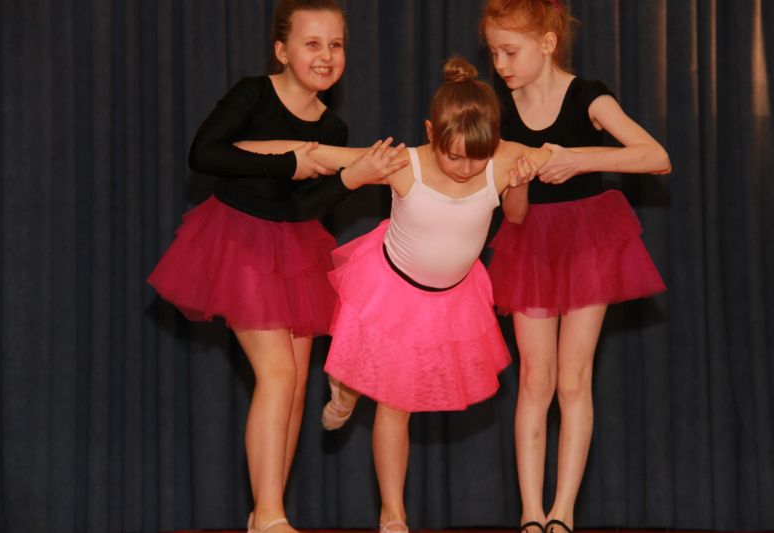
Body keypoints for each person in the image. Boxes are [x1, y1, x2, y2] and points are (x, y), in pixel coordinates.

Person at [237, 56, 552, 533]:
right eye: (454, 155)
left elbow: (518, 214)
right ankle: (359, 425)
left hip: (451, 299)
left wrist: (522, 184)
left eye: (477, 156)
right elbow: (317, 153)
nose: (466, 167)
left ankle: (385, 494)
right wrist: (243, 151)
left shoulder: (505, 158)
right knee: (383, 394)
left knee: (396, 402)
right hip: (389, 290)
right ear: (430, 133)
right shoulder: (406, 163)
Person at [147, 2, 404, 533]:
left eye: (335, 45)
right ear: (282, 51)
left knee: (295, 385)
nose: (326, 55)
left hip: (294, 249)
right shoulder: (253, 94)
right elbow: (205, 153)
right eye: (312, 44)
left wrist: (351, 177)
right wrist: (288, 162)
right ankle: (269, 516)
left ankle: (266, 512)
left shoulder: (332, 125)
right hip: (239, 241)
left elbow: (305, 206)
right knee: (278, 374)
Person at [480, 2, 672, 533]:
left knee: (573, 378)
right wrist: (518, 182)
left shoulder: (588, 95)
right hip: (530, 242)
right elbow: (512, 213)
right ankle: (531, 514)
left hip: (589, 238)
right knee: (535, 378)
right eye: (494, 52)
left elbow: (655, 156)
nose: (500, 64)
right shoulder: (500, 108)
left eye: (510, 51)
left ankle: (562, 513)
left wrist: (579, 159)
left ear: (546, 44)